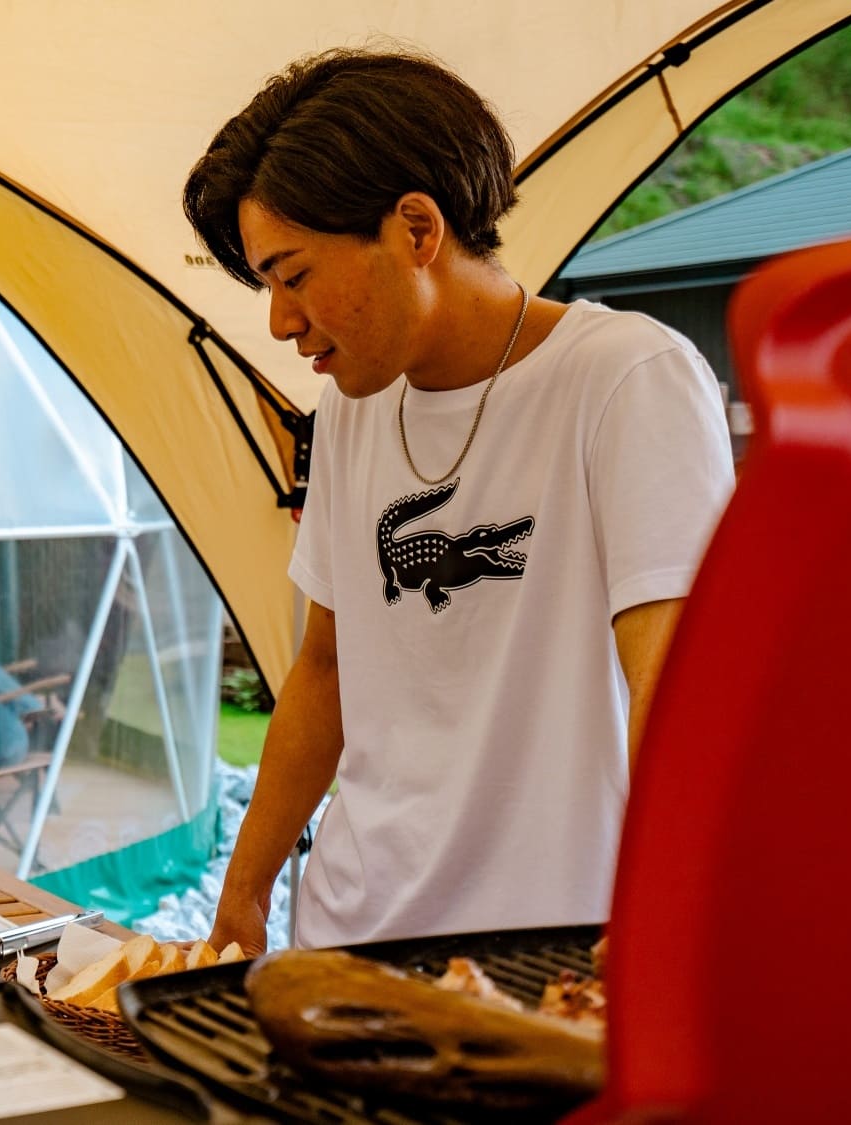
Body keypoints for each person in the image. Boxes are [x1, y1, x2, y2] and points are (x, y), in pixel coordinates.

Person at [182, 51, 733, 954]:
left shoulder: (627, 377)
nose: (280, 322)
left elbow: (679, 689)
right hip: (346, 945)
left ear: (416, 228)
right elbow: (325, 671)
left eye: (295, 275)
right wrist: (244, 891)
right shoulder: (352, 412)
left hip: (542, 953)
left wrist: (672, 914)